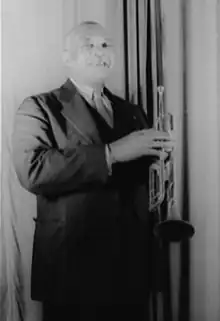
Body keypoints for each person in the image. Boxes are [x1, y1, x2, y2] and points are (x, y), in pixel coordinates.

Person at [12, 21, 174, 321]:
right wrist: (112, 153)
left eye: (106, 45)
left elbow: (137, 180)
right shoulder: (38, 107)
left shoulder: (132, 111)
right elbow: (33, 171)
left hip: (131, 266)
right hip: (72, 269)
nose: (101, 52)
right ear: (67, 57)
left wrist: (156, 161)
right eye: (89, 45)